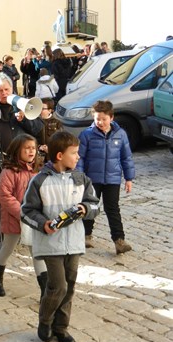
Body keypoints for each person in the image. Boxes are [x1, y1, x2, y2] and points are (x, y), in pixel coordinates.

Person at [21, 131, 100, 342]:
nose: (78, 157)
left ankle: (61, 328)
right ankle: (45, 322)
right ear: (58, 156)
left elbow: (95, 205)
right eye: (74, 153)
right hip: (49, 243)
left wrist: (85, 208)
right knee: (58, 286)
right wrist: (43, 224)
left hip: (73, 243)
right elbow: (26, 211)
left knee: (71, 286)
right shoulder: (40, 181)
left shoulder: (81, 179)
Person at [77, 100, 135, 254]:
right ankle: (85, 235)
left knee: (113, 209)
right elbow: (80, 158)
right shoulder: (86, 135)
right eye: (97, 119)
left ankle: (119, 240)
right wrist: (80, 177)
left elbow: (126, 158)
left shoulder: (121, 134)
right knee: (90, 206)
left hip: (113, 179)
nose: (100, 122)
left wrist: (129, 178)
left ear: (111, 118)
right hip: (91, 179)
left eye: (104, 119)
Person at [0, 134, 46, 297]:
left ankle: (46, 290)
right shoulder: (8, 172)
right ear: (17, 150)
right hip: (14, 218)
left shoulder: (37, 170)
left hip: (33, 219)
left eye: (33, 148)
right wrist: (23, 213)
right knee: (8, 248)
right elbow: (5, 196)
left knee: (37, 251)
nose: (31, 151)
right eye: (27, 148)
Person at [0, 73, 43, 166]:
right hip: (2, 161)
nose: (4, 93)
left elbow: (38, 129)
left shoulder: (23, 103)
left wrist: (25, 119)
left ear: (12, 88)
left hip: (24, 161)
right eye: (0, 90)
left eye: (6, 89)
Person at [38, 98, 63, 167]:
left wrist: (50, 149)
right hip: (38, 157)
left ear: (50, 110)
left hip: (51, 157)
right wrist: (39, 147)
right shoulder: (35, 121)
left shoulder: (57, 123)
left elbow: (61, 141)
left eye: (43, 109)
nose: (40, 111)